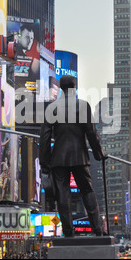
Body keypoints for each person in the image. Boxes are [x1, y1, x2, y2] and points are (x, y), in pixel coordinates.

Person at [39, 75, 107, 237]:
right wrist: (99, 154)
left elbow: (45, 139)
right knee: (87, 191)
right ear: (75, 87)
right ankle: (98, 229)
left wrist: (45, 164)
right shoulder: (83, 106)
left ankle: (68, 232)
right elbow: (92, 133)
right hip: (80, 157)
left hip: (59, 159)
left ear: (61, 88)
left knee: (62, 195)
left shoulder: (52, 108)